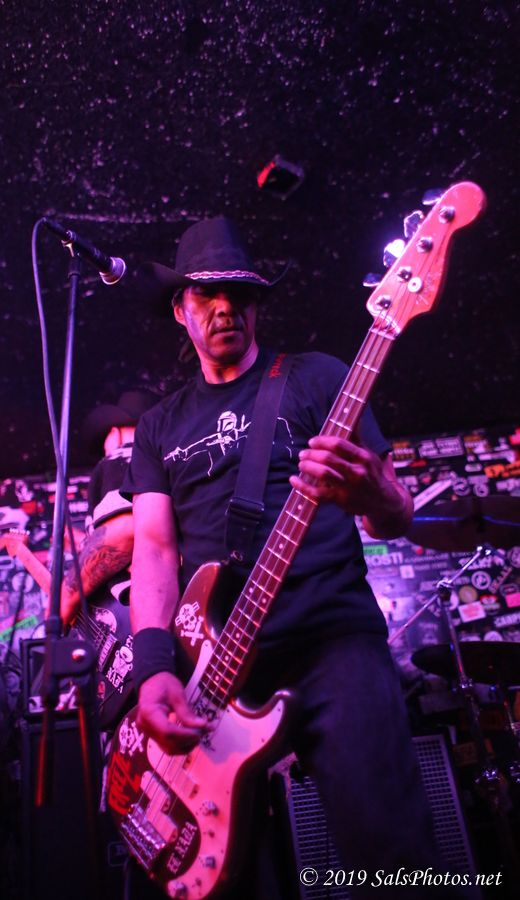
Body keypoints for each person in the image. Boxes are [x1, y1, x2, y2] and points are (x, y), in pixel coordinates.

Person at [121, 217, 458, 898]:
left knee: (392, 852)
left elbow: (394, 515)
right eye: (207, 293)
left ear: (257, 304)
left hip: (331, 638)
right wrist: (152, 669)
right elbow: (153, 550)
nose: (225, 307)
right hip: (214, 670)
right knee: (237, 879)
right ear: (180, 308)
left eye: (240, 293)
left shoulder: (317, 377)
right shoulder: (158, 428)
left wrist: (374, 493)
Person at [60, 389, 158, 633]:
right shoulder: (164, 459)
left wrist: (65, 599)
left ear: (114, 433)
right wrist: (84, 543)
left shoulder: (121, 457)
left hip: (145, 613)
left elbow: (125, 531)